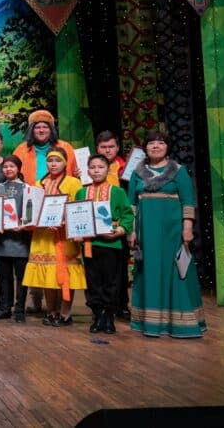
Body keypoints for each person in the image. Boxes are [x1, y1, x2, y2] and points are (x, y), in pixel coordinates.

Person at [128, 131, 206, 338]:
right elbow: (131, 206)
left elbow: (188, 202)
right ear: (145, 148)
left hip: (173, 233)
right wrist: (132, 231)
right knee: (150, 272)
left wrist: (187, 228)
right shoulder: (137, 172)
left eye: (160, 143)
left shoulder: (179, 171)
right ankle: (151, 322)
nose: (155, 146)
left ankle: (180, 323)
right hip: (147, 234)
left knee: (176, 273)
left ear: (167, 147)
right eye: (151, 143)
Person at [22, 147, 85, 327]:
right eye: (50, 160)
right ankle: (51, 311)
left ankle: (65, 313)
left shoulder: (74, 183)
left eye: (57, 160)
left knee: (67, 273)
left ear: (65, 163)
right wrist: (36, 220)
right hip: (43, 236)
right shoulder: (38, 184)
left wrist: (64, 221)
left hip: (65, 235)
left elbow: (78, 208)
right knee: (47, 274)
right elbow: (32, 209)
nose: (53, 164)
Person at [77, 154, 134, 335]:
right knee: (93, 281)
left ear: (108, 170)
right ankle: (97, 315)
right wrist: (76, 232)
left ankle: (109, 316)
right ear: (87, 171)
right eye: (92, 167)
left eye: (100, 167)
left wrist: (120, 230)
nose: (96, 170)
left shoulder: (117, 192)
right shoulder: (81, 192)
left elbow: (127, 214)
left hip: (111, 244)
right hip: (89, 244)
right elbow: (75, 214)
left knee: (111, 281)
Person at [0, 156, 31, 323]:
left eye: (12, 166)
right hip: (3, 241)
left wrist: (24, 224)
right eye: (5, 166)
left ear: (18, 168)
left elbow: (30, 212)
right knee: (4, 277)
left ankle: (20, 309)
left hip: (21, 240)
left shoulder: (28, 188)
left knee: (21, 278)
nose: (8, 169)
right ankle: (5, 308)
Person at [96, 129, 132, 321]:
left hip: (118, 226)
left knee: (120, 268)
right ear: (97, 148)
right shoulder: (91, 169)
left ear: (117, 148)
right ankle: (100, 307)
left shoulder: (126, 169)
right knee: (99, 270)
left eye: (111, 146)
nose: (107, 150)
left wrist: (127, 228)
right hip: (95, 228)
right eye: (104, 147)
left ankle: (121, 305)